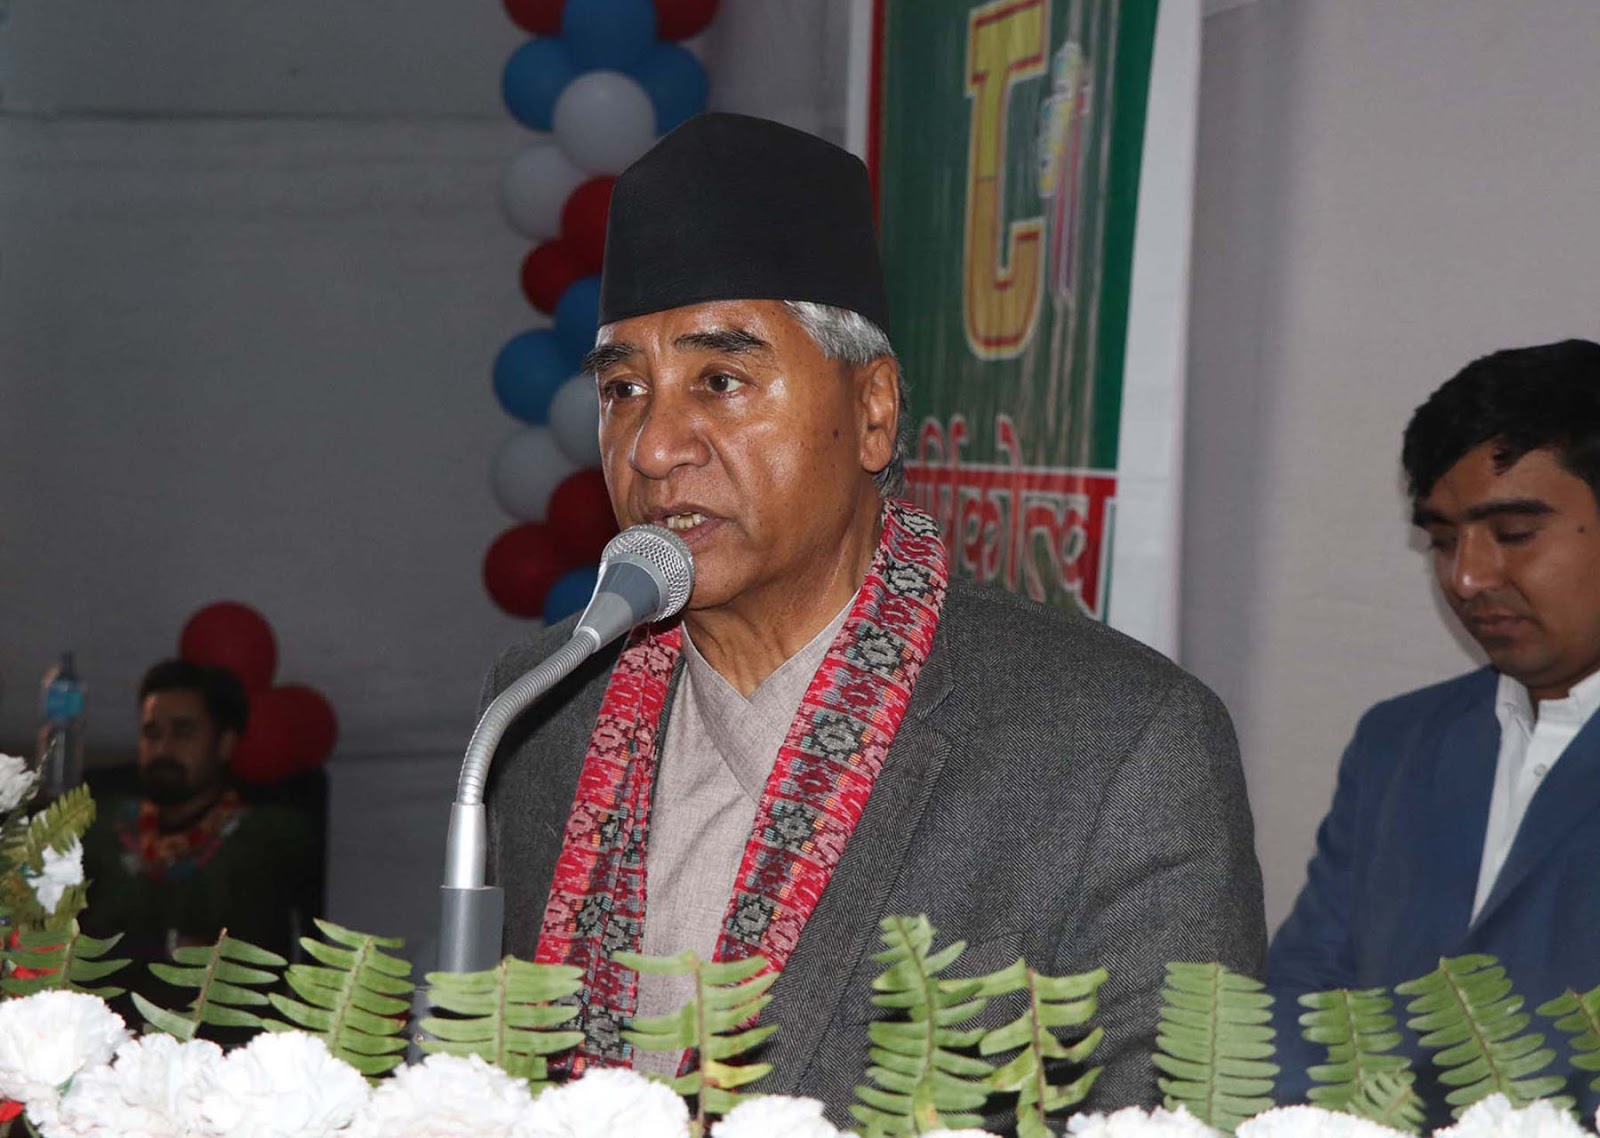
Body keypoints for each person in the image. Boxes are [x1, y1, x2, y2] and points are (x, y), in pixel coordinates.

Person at [483, 112, 1265, 1124]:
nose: (655, 445)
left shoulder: (1117, 746)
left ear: (873, 412)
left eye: (720, 380)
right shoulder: (542, 712)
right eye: (624, 388)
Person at [1268, 339, 1600, 1115]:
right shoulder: (1399, 744)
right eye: (1444, 541)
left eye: (1513, 533)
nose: (1468, 577)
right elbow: (1304, 1002)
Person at [80, 659, 318, 965]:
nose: (163, 749)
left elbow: (245, 960)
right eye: (151, 733)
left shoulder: (263, 839)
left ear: (225, 744)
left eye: (183, 732)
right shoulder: (101, 826)